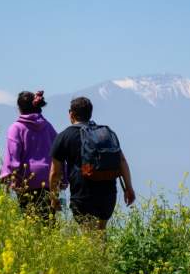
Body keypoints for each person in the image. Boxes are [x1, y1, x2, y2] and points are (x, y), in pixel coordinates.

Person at [49, 96, 136, 231]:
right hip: (108, 193)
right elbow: (122, 161)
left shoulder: (64, 136)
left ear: (71, 114)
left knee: (89, 237)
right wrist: (128, 188)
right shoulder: (104, 134)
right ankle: (103, 253)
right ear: (90, 113)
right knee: (100, 232)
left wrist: (54, 198)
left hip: (83, 194)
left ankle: (97, 253)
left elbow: (55, 173)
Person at [0, 90, 60, 224]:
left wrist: (10, 177)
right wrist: (62, 177)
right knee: (48, 219)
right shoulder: (48, 126)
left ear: (19, 108)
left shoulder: (16, 128)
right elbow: (58, 150)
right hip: (48, 178)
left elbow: (13, 155)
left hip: (27, 179)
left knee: (30, 220)